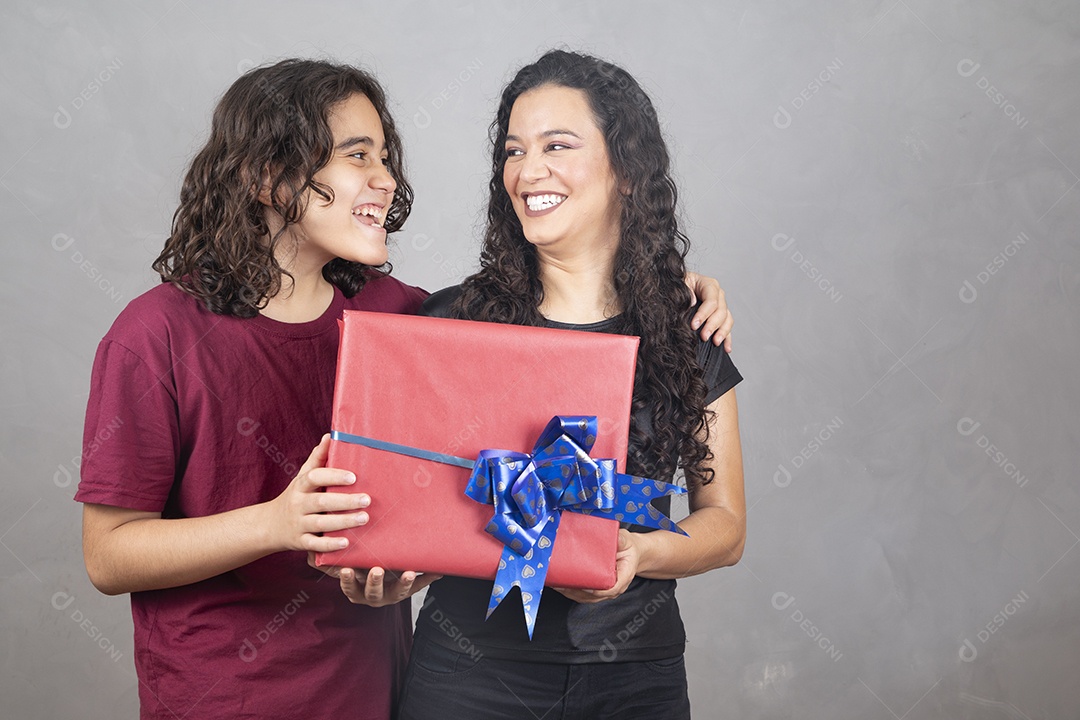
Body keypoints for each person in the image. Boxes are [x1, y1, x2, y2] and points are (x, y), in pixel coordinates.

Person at [75, 59, 733, 719]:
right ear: (268, 176)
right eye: (358, 155)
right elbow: (108, 555)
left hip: (377, 690)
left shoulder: (394, 316)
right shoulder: (161, 334)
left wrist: (675, 291)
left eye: (384, 157)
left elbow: (547, 337)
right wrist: (280, 524)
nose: (387, 179)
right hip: (232, 695)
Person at [387, 50, 747, 720]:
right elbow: (402, 498)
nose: (529, 170)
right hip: (468, 676)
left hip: (635, 680)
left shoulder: (686, 330)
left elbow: (725, 523)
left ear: (628, 173)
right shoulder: (449, 323)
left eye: (559, 145)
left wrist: (640, 551)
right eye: (515, 150)